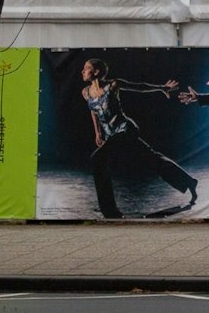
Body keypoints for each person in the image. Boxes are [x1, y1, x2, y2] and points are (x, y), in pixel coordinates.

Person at [80, 57, 196, 219]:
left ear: (96, 71)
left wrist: (161, 88)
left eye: (86, 68)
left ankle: (109, 210)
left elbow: (139, 87)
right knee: (152, 158)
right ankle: (188, 182)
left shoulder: (112, 85)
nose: (83, 71)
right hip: (110, 134)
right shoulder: (86, 92)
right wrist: (97, 133)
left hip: (125, 130)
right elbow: (93, 111)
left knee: (97, 159)